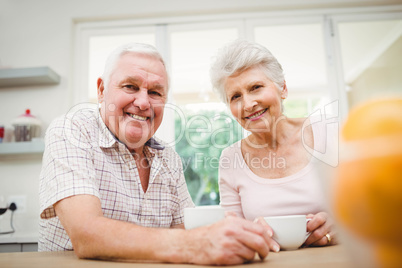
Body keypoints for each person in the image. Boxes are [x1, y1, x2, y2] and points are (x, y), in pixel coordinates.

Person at [39, 42, 276, 265]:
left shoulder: (168, 158)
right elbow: (86, 234)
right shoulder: (71, 131)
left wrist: (246, 232)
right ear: (101, 90)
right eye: (130, 86)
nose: (143, 102)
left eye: (155, 92)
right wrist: (195, 244)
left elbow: (188, 229)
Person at [210, 39, 338, 250]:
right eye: (235, 97)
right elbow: (231, 233)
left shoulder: (330, 133)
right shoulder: (230, 159)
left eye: (256, 87)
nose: (248, 104)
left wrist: (342, 226)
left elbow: (377, 210)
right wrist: (248, 235)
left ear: (283, 88)